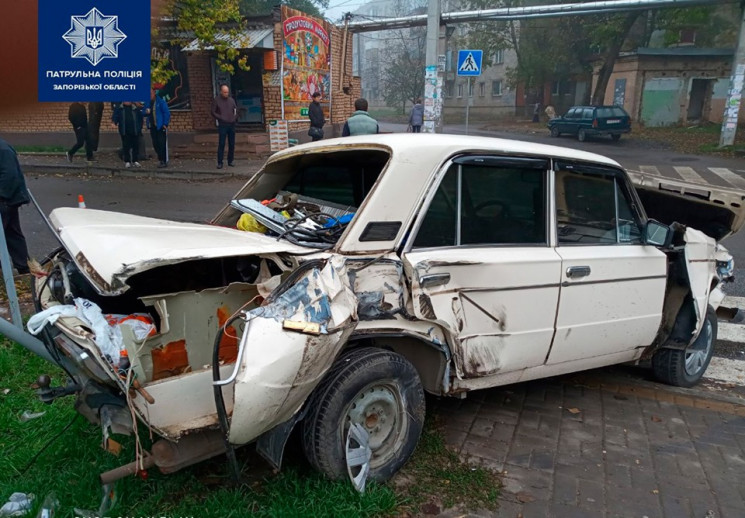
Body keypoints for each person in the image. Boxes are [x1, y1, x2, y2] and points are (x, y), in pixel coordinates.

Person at [0, 137, 30, 275]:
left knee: (9, 232)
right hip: (9, 199)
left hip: (5, 199)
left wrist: (2, 196)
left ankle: (19, 266)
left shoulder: (3, 150)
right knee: (12, 233)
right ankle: (23, 266)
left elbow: (9, 176)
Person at [211, 84, 238, 169]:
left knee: (232, 143)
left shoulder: (231, 100)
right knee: (222, 143)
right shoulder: (217, 100)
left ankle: (230, 160)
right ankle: (220, 162)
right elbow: (213, 111)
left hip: (231, 124)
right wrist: (220, 117)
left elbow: (235, 110)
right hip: (223, 124)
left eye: (227, 92)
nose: (226, 94)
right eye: (225, 92)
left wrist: (234, 117)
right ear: (221, 92)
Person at [112, 101, 144, 168]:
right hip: (125, 130)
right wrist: (114, 122)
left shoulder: (135, 108)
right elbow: (115, 116)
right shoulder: (120, 108)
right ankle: (127, 161)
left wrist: (139, 128)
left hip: (135, 130)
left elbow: (140, 118)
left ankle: (135, 160)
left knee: (136, 145)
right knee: (126, 146)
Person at [145, 88, 171, 168]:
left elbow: (166, 113)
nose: (149, 96)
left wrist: (165, 124)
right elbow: (143, 112)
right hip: (153, 127)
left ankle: (163, 160)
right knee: (155, 144)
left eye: (151, 94)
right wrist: (145, 112)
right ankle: (160, 159)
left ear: (154, 93)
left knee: (162, 143)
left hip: (160, 126)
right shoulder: (148, 103)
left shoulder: (160, 102)